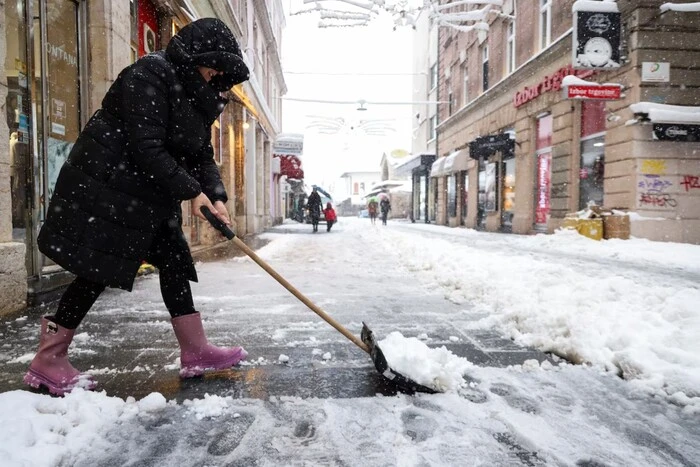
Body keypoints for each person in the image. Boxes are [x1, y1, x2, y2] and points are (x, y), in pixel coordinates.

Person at [24, 18, 250, 396]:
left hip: (150, 196)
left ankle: (195, 350)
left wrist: (217, 196)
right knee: (96, 271)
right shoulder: (150, 74)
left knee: (176, 263)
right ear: (198, 57)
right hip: (111, 190)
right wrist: (192, 193)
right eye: (215, 67)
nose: (217, 76)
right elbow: (147, 148)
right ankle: (48, 359)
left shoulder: (199, 95)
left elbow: (201, 153)